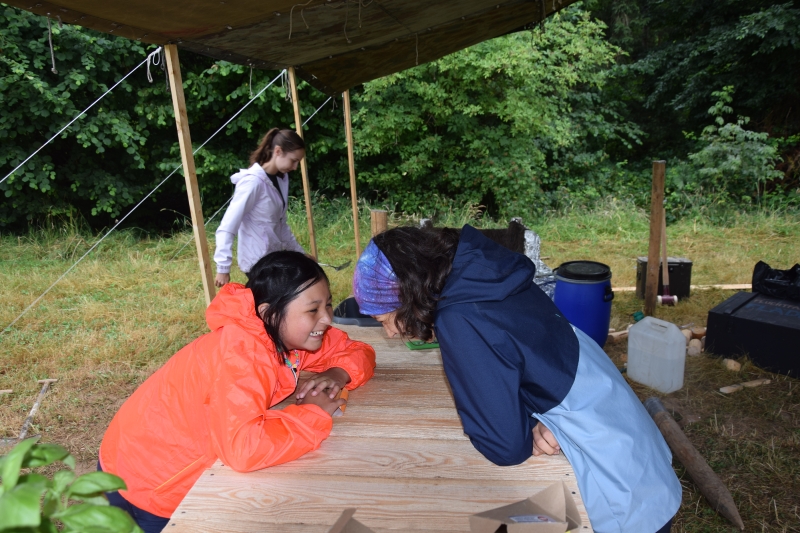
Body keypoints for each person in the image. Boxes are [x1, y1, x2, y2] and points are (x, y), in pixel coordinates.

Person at [352, 225, 681, 533]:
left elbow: (505, 446)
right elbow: (525, 359)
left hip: (620, 492)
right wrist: (535, 417)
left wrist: (529, 423)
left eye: (384, 320)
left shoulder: (461, 318)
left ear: (407, 295)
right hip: (634, 444)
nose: (390, 334)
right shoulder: (485, 274)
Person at [99, 251, 376, 532]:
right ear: (269, 313)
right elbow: (243, 449)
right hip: (147, 481)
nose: (327, 318)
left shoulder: (279, 333)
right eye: (313, 310)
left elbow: (357, 350)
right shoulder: (243, 354)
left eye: (328, 305)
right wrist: (312, 414)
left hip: (144, 456)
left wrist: (338, 373)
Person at [214, 128, 307, 287]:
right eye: (293, 160)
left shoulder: (281, 179)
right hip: (256, 262)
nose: (295, 167)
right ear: (278, 151)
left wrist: (301, 255)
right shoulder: (252, 182)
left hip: (274, 258)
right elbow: (228, 226)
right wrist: (223, 267)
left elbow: (281, 225)